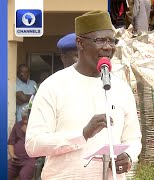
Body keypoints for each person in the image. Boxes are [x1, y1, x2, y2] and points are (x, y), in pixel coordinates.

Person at [25, 10, 142, 180]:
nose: (108, 47)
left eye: (112, 41)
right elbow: (33, 144)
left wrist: (129, 156)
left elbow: (133, 137)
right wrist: (82, 134)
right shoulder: (53, 86)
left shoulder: (121, 88)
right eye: (100, 40)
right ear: (80, 43)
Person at [8, 106, 36, 180]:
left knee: (23, 175)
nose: (25, 121)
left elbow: (38, 142)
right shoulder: (17, 125)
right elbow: (11, 142)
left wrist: (28, 132)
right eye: (23, 118)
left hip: (30, 159)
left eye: (26, 119)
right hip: (16, 159)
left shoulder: (37, 127)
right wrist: (12, 154)